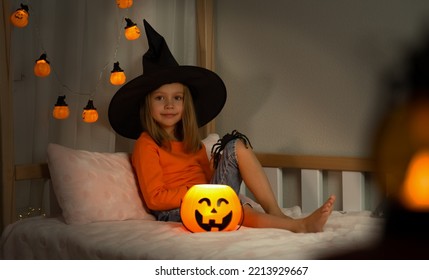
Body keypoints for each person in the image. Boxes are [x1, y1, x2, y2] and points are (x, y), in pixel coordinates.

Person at [108, 20, 335, 233]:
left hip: (208, 199)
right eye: (160, 98)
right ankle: (298, 226)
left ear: (186, 104)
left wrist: (214, 182)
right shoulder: (147, 144)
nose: (169, 105)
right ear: (148, 105)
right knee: (230, 206)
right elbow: (155, 198)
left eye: (177, 98)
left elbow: (209, 179)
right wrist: (199, 192)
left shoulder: (191, 142)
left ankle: (277, 214)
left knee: (235, 145)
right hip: (175, 211)